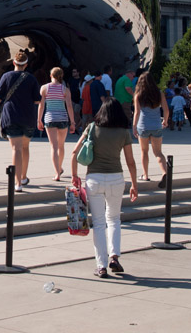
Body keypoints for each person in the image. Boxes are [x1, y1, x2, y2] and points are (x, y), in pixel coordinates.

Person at [70, 98, 137, 278]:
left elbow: (74, 152)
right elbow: (130, 162)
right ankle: (114, 256)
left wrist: (74, 175)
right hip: (116, 178)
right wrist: (134, 185)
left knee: (99, 223)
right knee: (114, 219)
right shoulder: (123, 133)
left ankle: (101, 265)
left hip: (94, 179)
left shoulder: (92, 128)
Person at [0, 49, 41, 192]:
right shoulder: (31, 78)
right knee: (25, 147)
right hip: (28, 117)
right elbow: (37, 100)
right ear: (26, 64)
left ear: (14, 62)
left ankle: (17, 183)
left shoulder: (6, 76)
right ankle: (23, 176)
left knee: (16, 149)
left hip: (11, 116)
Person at [37, 67, 76, 181]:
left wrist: (39, 119)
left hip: (50, 118)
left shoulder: (44, 88)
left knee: (53, 146)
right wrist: (72, 122)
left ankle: (57, 173)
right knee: (61, 145)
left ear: (51, 76)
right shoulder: (65, 89)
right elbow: (69, 106)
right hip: (63, 118)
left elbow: (41, 105)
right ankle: (59, 167)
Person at [132, 73, 170, 187]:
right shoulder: (159, 94)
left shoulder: (138, 95)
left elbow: (137, 112)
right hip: (156, 126)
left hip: (143, 126)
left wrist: (134, 127)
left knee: (144, 151)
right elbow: (166, 110)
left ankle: (145, 175)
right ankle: (164, 173)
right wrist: (165, 121)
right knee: (158, 152)